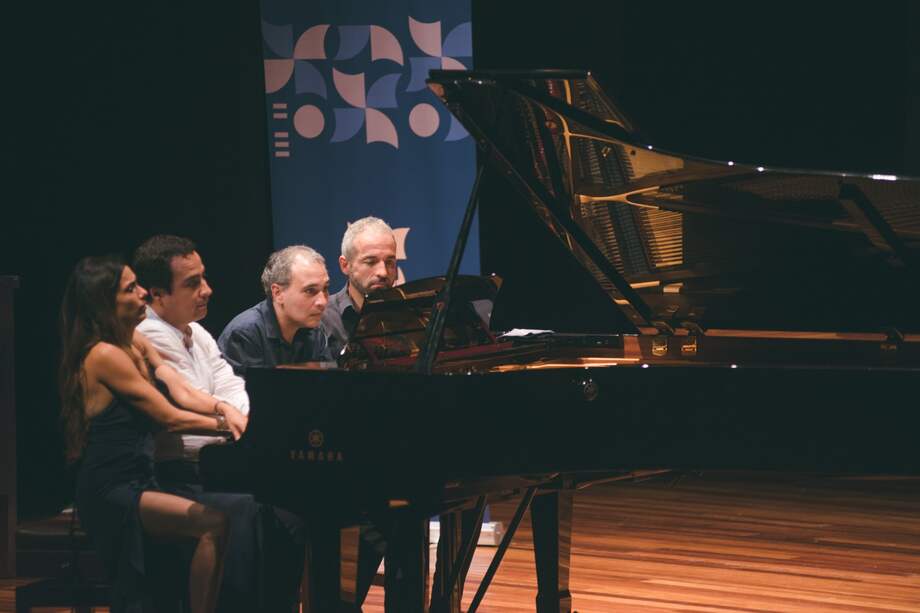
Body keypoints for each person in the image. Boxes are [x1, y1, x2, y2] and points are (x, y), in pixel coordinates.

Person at [133, 234, 304, 612]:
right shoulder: (149, 335)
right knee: (251, 508)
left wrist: (234, 413)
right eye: (192, 283)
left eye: (204, 278)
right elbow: (189, 406)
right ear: (158, 295)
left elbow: (233, 387)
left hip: (213, 466)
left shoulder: (198, 334)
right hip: (174, 473)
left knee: (292, 506)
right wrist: (229, 416)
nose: (207, 290)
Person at [60, 255, 238, 613]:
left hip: (142, 479)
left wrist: (223, 408)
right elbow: (169, 417)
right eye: (130, 288)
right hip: (110, 488)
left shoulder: (135, 342)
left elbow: (182, 391)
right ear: (104, 301)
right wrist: (229, 427)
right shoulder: (104, 355)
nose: (143, 293)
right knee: (213, 523)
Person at [218, 245, 332, 374]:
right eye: (310, 291)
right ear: (278, 293)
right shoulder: (243, 335)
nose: (322, 301)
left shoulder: (316, 331)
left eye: (325, 288)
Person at [322, 216, 398, 359]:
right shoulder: (320, 319)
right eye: (370, 262)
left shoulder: (412, 316)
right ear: (345, 265)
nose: (383, 272)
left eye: (389, 262)